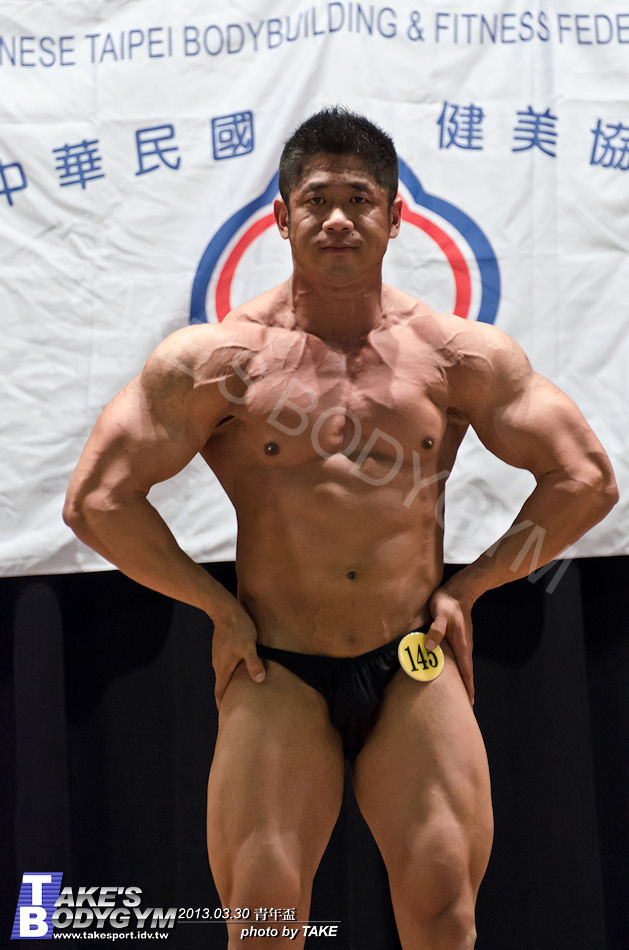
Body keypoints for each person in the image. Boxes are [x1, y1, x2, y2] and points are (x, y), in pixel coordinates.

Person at [64, 107, 618, 950]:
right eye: (315, 199)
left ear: (395, 218)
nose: (336, 218)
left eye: (359, 199)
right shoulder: (217, 362)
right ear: (280, 217)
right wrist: (216, 607)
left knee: (443, 906)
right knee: (264, 917)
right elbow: (97, 499)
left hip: (411, 658)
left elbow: (584, 479)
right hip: (275, 666)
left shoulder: (452, 354)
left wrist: (471, 586)